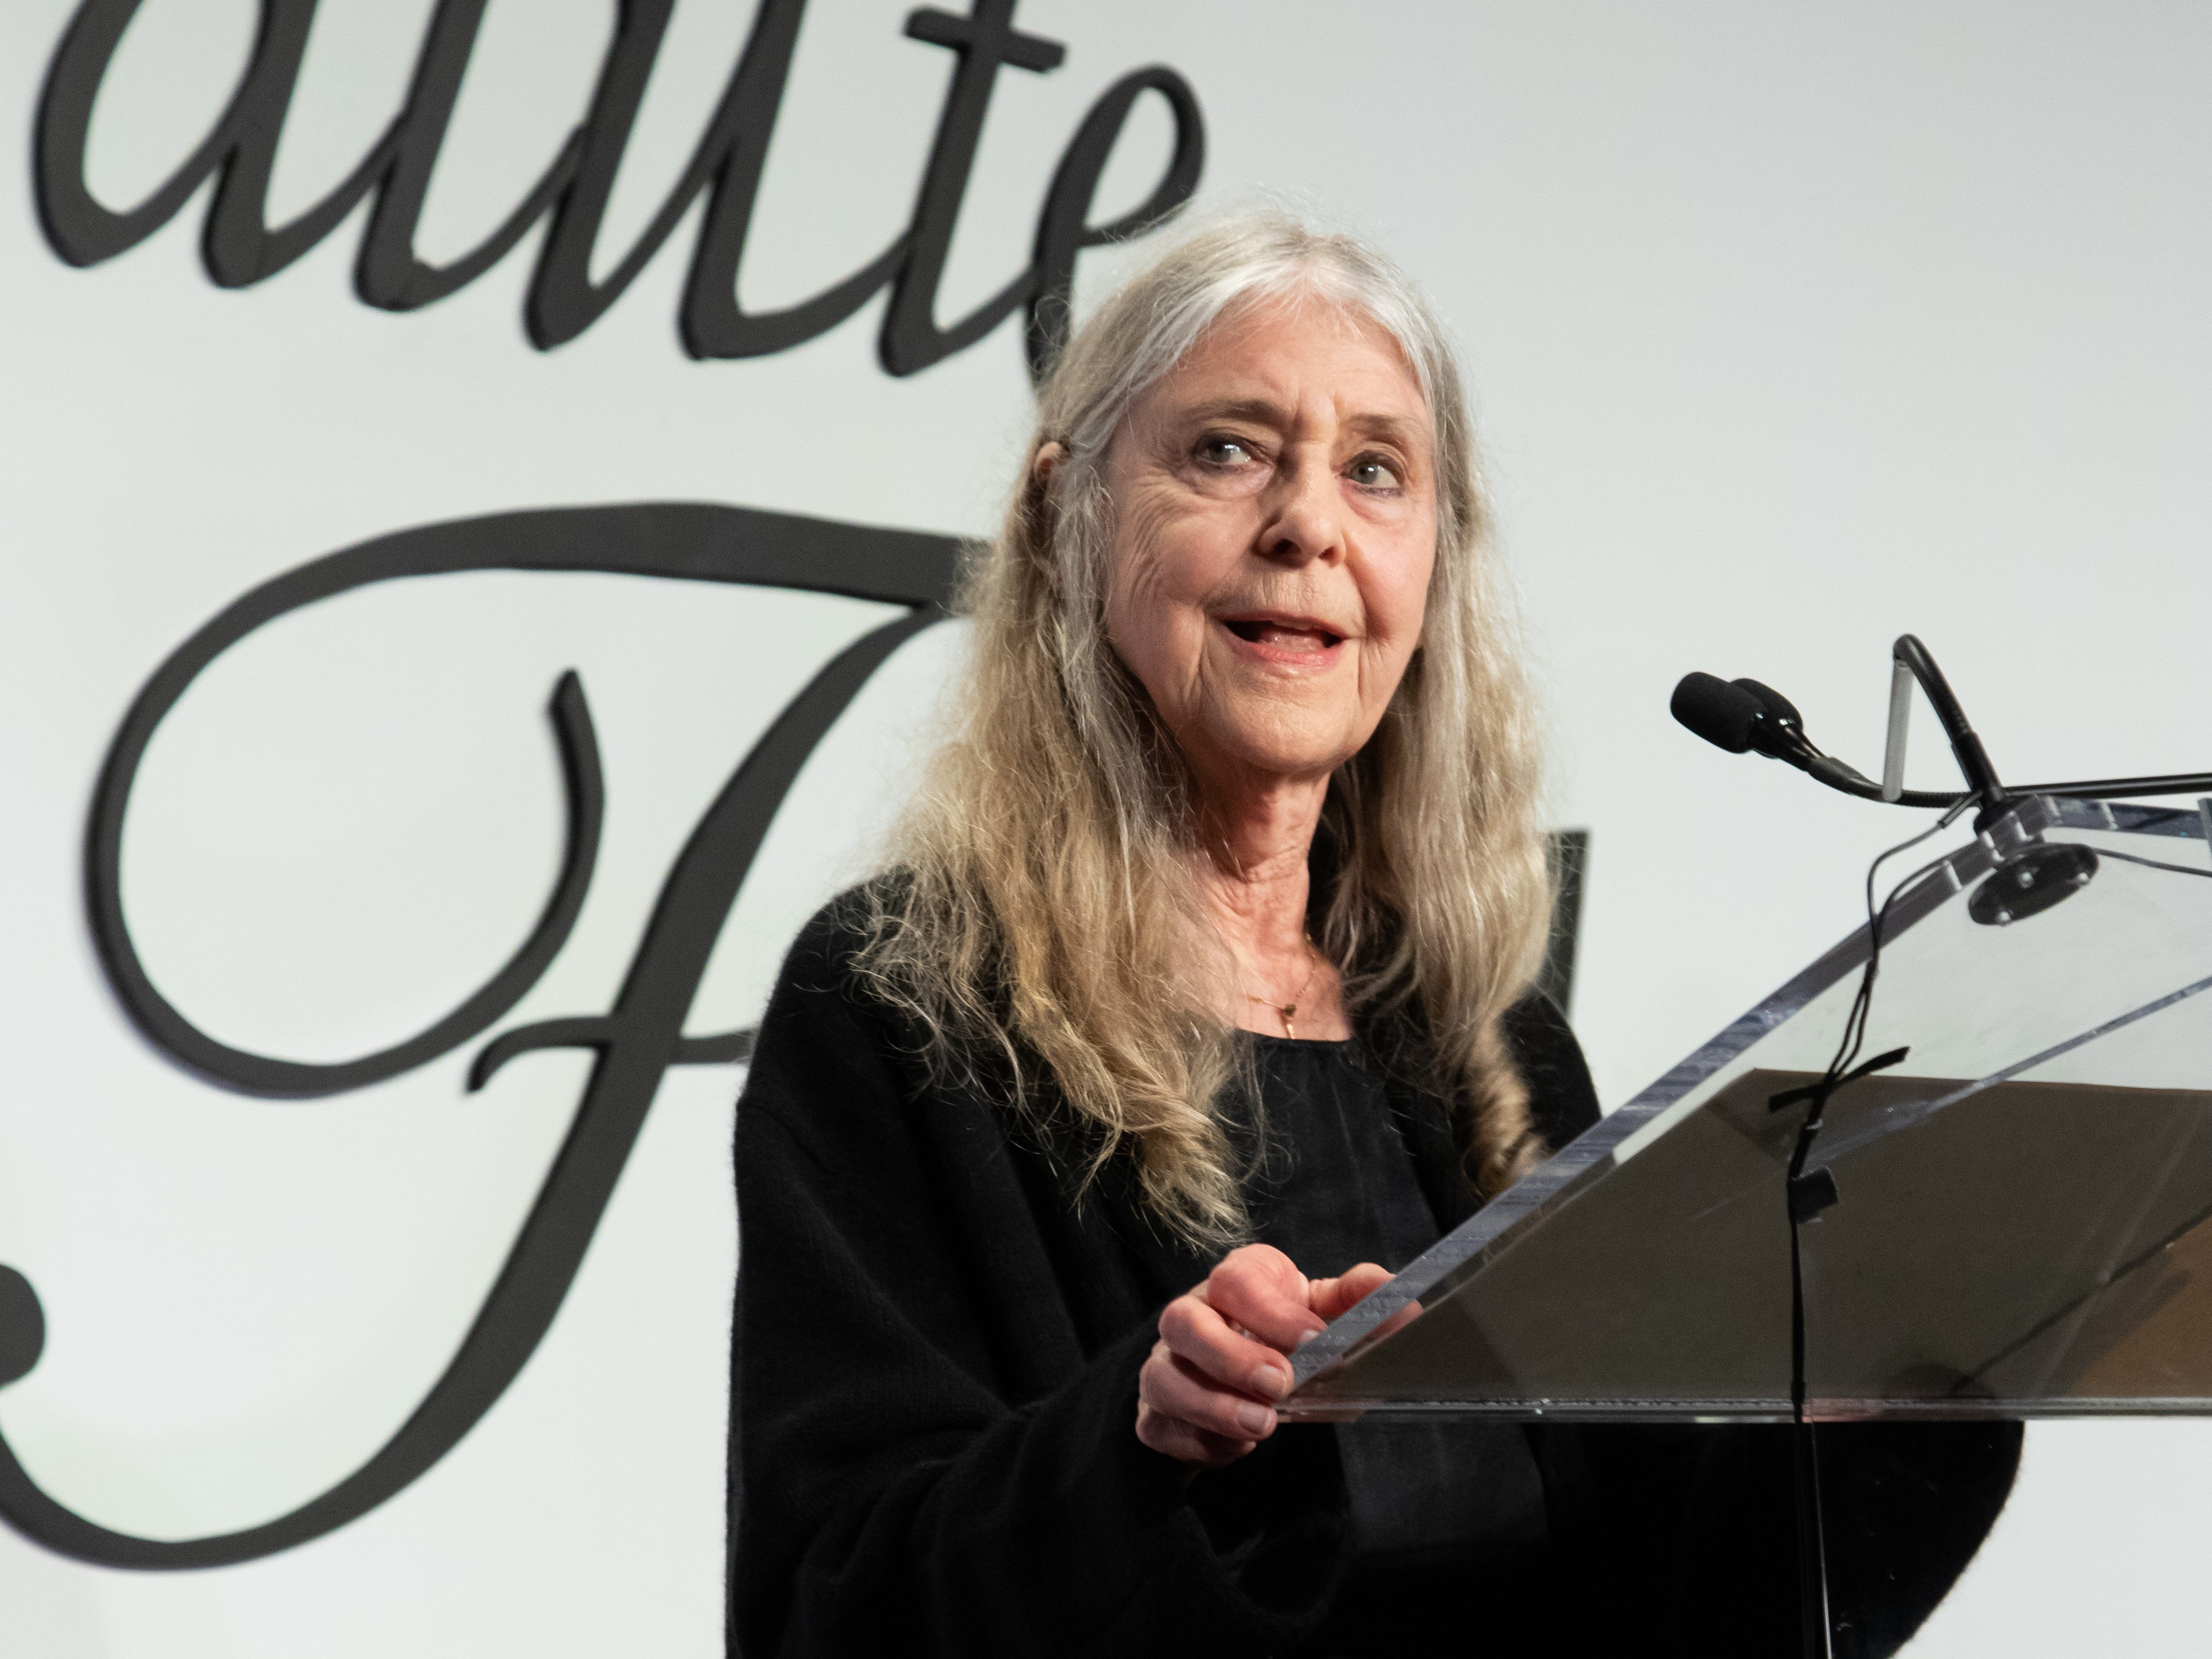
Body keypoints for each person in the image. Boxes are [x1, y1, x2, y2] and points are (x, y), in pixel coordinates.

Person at [729, 213, 2017, 1657]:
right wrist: (1137, 1439)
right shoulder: (908, 1000)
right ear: (1064, 512)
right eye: (1226, 448)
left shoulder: (1489, 1035)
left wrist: (1893, 1388)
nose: (1308, 524)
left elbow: (1649, 1602)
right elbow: (826, 1613)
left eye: (1374, 471)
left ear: (1428, 567)